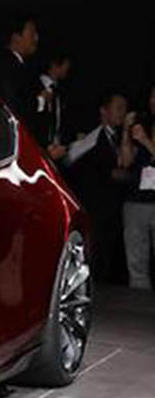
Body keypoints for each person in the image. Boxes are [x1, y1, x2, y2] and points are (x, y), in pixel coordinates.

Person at [65, 92, 135, 282]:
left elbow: (126, 164)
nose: (122, 113)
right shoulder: (90, 138)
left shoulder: (122, 136)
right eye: (118, 107)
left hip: (113, 208)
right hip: (93, 206)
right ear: (104, 111)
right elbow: (74, 162)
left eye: (125, 108)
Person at [123, 85, 155, 289]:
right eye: (152, 96)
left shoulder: (145, 133)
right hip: (136, 200)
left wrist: (145, 140)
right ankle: (137, 302)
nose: (153, 101)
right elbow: (125, 161)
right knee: (136, 263)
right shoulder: (144, 123)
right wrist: (126, 132)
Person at [0, 16, 40, 124]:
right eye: (32, 33)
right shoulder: (8, 66)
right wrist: (39, 101)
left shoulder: (19, 65)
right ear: (16, 37)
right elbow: (14, 105)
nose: (36, 38)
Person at [33, 54, 71, 160]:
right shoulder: (34, 85)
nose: (67, 69)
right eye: (65, 65)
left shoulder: (60, 91)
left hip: (56, 149)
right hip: (38, 147)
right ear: (54, 65)